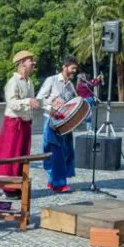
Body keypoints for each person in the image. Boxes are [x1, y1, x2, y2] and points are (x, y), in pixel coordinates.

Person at [0, 51, 41, 199]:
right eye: (30, 60)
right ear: (21, 63)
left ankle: (18, 185)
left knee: (22, 155)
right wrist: (27, 102)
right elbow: (12, 103)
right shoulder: (13, 82)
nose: (33, 63)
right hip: (14, 124)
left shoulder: (29, 82)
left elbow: (33, 100)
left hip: (25, 123)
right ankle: (8, 187)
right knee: (11, 154)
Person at [36, 56, 79, 193]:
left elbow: (74, 102)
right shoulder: (52, 80)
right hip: (52, 121)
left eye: (76, 69)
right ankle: (59, 184)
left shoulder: (71, 85)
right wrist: (52, 104)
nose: (74, 71)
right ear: (64, 67)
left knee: (66, 152)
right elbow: (39, 98)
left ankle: (52, 181)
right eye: (72, 68)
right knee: (55, 152)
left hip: (66, 123)